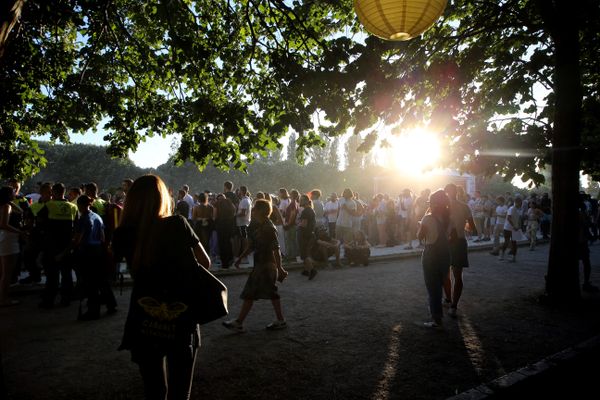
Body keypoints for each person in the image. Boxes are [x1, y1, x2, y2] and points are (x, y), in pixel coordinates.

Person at [112, 174, 211, 400]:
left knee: (154, 390)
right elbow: (204, 262)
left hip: (143, 312)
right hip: (180, 309)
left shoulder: (123, 232)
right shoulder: (177, 224)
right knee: (180, 391)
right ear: (162, 197)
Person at [223, 199, 288, 333]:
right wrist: (240, 258)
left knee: (261, 292)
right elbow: (252, 246)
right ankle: (240, 322)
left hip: (267, 265)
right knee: (254, 293)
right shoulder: (259, 226)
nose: (252, 210)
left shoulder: (268, 228)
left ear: (260, 211)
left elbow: (276, 249)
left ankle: (241, 322)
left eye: (254, 208)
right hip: (262, 265)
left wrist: (280, 268)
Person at [73, 195, 117, 320]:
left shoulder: (83, 219)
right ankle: (111, 304)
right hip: (98, 251)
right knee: (102, 280)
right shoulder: (97, 217)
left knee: (91, 283)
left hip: (87, 253)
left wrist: (67, 251)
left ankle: (93, 310)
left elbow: (77, 240)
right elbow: (102, 237)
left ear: (80, 205)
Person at [417, 189, 451, 329]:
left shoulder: (428, 218)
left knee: (433, 287)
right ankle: (444, 308)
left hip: (431, 253)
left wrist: (419, 227)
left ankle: (436, 319)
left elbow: (420, 236)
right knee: (442, 281)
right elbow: (452, 236)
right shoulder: (449, 217)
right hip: (445, 252)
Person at [443, 183, 475, 318]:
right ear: (456, 192)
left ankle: (450, 300)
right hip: (459, 242)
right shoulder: (464, 206)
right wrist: (462, 227)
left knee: (446, 273)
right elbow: (471, 227)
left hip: (445, 243)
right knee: (457, 274)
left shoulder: (442, 207)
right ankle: (453, 304)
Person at [0, 186, 24, 306]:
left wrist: (10, 200)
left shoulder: (6, 205)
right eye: (13, 192)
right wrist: (21, 232)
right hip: (9, 240)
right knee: (7, 273)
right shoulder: (6, 206)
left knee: (3, 273)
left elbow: (20, 211)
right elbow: (3, 224)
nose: (16, 193)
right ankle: (3, 300)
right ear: (9, 195)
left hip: (5, 239)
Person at [297, 194, 317, 280]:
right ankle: (306, 270)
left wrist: (298, 225)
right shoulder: (310, 210)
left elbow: (304, 224)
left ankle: (312, 270)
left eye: (301, 200)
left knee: (305, 254)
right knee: (306, 253)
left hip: (305, 235)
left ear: (306, 201)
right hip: (309, 234)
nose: (299, 201)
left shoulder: (306, 211)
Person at [501, 196, 524, 262]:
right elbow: (509, 218)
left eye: (521, 202)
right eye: (520, 202)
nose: (521, 204)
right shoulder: (511, 208)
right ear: (516, 202)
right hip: (508, 228)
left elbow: (519, 219)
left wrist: (519, 226)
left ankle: (514, 257)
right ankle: (502, 254)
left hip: (515, 228)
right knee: (506, 242)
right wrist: (514, 226)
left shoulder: (519, 209)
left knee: (514, 243)